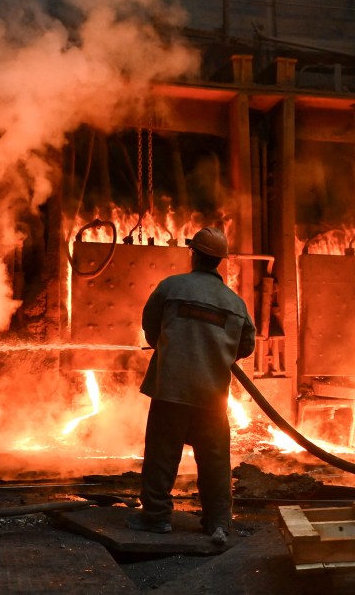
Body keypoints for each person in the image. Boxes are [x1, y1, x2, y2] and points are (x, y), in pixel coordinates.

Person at [126, 227, 256, 545]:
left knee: (161, 454)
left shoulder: (172, 287)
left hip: (171, 387)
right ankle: (217, 523)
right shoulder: (236, 304)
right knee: (214, 460)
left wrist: (173, 347)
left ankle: (157, 519)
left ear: (194, 254)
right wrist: (216, 353)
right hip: (211, 394)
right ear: (220, 261)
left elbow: (151, 327)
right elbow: (246, 346)